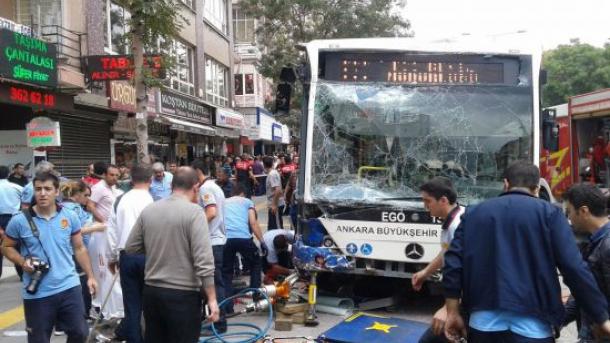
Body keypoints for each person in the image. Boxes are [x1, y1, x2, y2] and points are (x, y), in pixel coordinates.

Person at [443, 161, 610, 343]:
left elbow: (453, 262)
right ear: (537, 188)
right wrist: (601, 317)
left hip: (483, 323)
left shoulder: (474, 213)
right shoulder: (550, 214)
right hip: (534, 326)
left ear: (506, 184)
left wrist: (451, 311)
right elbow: (574, 269)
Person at [124, 167, 220, 343]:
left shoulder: (150, 210)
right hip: (183, 295)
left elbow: (130, 247)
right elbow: (204, 260)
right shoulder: (195, 213)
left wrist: (157, 248)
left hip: (152, 293)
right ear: (195, 187)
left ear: (171, 186)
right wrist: (212, 299)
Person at [1, 171, 98, 343]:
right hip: (38, 292)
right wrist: (23, 262)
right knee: (39, 339)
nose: (42, 193)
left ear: (57, 192)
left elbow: (79, 248)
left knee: (80, 333)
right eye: (38, 189)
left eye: (47, 189)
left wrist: (90, 276)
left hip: (69, 286)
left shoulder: (70, 216)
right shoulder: (19, 221)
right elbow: (6, 247)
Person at [411, 177, 464, 343]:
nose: (425, 206)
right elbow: (446, 253)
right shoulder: (453, 220)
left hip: (467, 299)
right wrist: (425, 272)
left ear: (443, 200)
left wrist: (448, 310)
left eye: (428, 201)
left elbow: (469, 272)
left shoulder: (459, 225)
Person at [106, 165, 154, 343]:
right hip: (149, 257)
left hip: (126, 256)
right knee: (151, 303)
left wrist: (112, 257)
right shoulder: (152, 201)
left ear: (131, 180)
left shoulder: (120, 200)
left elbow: (111, 231)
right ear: (150, 180)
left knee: (132, 305)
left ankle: (134, 339)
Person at [563, 183, 610, 342]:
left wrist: (603, 322)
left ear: (583, 211)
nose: (569, 218)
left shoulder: (607, 246)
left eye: (569, 211)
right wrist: (558, 321)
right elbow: (584, 292)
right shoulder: (593, 242)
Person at [60, 181, 106, 319]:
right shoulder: (73, 209)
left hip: (73, 252)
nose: (88, 199)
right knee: (83, 283)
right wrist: (96, 227)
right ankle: (81, 315)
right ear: (78, 194)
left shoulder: (65, 207)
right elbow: (75, 231)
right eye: (86, 195)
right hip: (76, 252)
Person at [192, 159, 228, 334]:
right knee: (213, 283)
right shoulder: (214, 186)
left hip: (212, 241)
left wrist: (195, 227)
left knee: (212, 284)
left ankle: (219, 324)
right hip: (217, 240)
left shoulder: (206, 188)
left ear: (198, 171)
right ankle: (216, 320)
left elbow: (211, 212)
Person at [88, 164, 124, 319]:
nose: (114, 178)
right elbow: (90, 205)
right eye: (111, 175)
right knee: (103, 269)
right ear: (104, 175)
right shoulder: (98, 188)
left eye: (117, 175)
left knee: (113, 269)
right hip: (101, 233)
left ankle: (114, 305)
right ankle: (101, 305)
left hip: (113, 233)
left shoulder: (115, 190)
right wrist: (103, 221)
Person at [222, 183, 264, 312]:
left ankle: (228, 308)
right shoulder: (247, 202)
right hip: (243, 238)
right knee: (256, 264)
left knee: (226, 273)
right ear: (243, 194)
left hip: (226, 239)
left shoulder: (223, 202)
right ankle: (256, 298)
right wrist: (262, 241)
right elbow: (252, 222)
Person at [0, 165, 23, 279]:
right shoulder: (16, 187)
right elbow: (25, 200)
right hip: (13, 218)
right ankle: (22, 274)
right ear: (9, 174)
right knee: (16, 247)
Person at [264, 156, 285, 230]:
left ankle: (281, 240)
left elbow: (278, 190)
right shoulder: (272, 173)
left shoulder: (272, 174)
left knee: (277, 228)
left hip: (276, 205)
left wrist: (274, 204)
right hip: (274, 204)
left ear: (264, 165)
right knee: (272, 228)